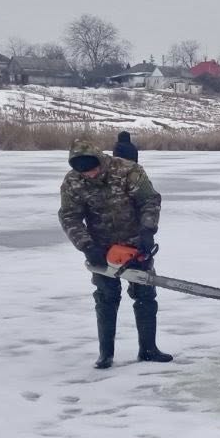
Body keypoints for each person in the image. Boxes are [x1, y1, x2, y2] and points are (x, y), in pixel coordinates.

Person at [58, 138, 170, 369]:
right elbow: (69, 216)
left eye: (93, 169)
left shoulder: (128, 170)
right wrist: (87, 246)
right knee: (106, 297)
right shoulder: (72, 182)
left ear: (100, 159)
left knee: (145, 296)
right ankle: (106, 353)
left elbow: (149, 200)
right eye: (84, 172)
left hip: (136, 245)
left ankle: (148, 349)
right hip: (101, 248)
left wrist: (148, 231)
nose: (89, 174)